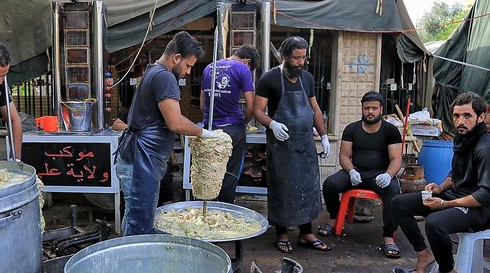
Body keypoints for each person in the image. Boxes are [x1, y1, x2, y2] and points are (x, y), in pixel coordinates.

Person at [391, 92, 490, 273]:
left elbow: (485, 194)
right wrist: (440, 188)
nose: (460, 122)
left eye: (466, 116)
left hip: (486, 207)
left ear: (481, 117)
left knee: (436, 223)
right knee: (399, 204)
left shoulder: (487, 148)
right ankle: (424, 254)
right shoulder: (462, 138)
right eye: (456, 116)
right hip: (460, 196)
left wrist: (445, 204)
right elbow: (455, 174)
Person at [115, 31, 216, 236]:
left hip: (138, 159)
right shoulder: (164, 77)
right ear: (176, 58)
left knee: (136, 216)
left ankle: (128, 256)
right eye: (188, 66)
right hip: (139, 161)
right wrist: (203, 133)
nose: (188, 72)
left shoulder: (152, 71)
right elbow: (176, 123)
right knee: (139, 222)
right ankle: (132, 262)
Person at [253, 36, 331, 253]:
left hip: (305, 144)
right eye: (296, 58)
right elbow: (257, 111)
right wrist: (273, 124)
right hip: (282, 146)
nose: (300, 62)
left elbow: (315, 109)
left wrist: (323, 136)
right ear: (285, 56)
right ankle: (282, 233)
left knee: (308, 188)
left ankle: (306, 233)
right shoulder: (268, 79)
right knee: (283, 188)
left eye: (303, 58)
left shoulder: (307, 78)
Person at [319, 90, 403, 258]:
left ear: (381, 109)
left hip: (380, 175)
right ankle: (334, 218)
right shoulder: (352, 129)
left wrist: (388, 175)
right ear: (362, 109)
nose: (370, 112)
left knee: (393, 193)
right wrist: (351, 171)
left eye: (374, 108)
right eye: (366, 108)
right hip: (356, 172)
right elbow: (344, 155)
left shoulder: (391, 130)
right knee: (330, 184)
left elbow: (396, 159)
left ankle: (388, 236)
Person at [199, 44, 260, 203]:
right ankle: (225, 209)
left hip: (209, 128)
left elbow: (202, 105)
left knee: (209, 171)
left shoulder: (209, 67)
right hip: (232, 129)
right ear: (247, 61)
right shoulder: (242, 68)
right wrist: (244, 122)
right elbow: (251, 106)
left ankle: (208, 210)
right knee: (230, 173)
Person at [112, 107, 174, 206]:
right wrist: (136, 129)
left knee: (166, 194)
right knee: (135, 206)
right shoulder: (137, 108)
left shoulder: (169, 111)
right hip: (135, 159)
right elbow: (116, 124)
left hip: (159, 159)